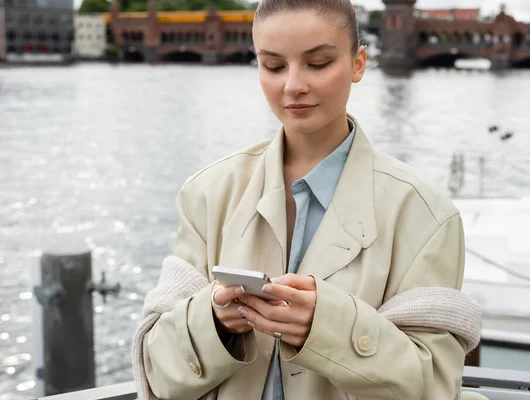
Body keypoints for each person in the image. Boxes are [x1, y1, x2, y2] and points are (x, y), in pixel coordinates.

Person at [132, 0, 481, 399]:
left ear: (358, 64)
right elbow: (156, 373)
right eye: (274, 66)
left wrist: (326, 327)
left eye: (317, 64)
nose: (293, 85)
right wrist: (215, 321)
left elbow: (436, 385)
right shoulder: (206, 194)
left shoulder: (426, 216)